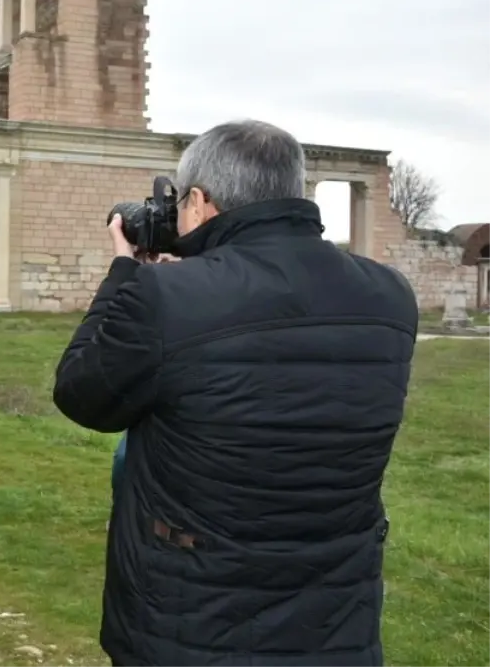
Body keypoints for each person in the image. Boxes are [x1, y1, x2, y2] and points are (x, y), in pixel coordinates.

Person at [53, 120, 417, 667]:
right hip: (336, 615)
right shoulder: (390, 295)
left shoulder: (163, 296)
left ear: (199, 202)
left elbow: (82, 394)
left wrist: (124, 273)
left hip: (192, 618)